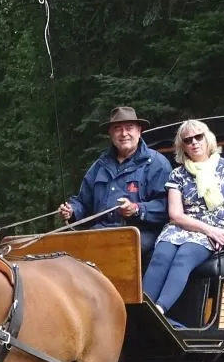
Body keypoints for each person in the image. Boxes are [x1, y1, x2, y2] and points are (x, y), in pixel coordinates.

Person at [142, 119, 224, 326]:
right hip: (182, 227)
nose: (194, 142)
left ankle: (158, 312)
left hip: (215, 231)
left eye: (198, 137)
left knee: (184, 257)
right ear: (182, 146)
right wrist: (207, 229)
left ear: (207, 138)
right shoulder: (178, 174)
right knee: (160, 256)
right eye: (188, 140)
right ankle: (140, 308)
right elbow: (175, 214)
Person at [60, 106, 171, 261]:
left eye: (129, 128)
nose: (124, 133)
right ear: (110, 134)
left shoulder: (157, 163)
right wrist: (72, 210)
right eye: (117, 129)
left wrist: (136, 209)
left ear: (139, 131)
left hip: (139, 233)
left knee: (112, 253)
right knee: (65, 254)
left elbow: (166, 206)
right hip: (101, 232)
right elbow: (83, 203)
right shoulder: (100, 165)